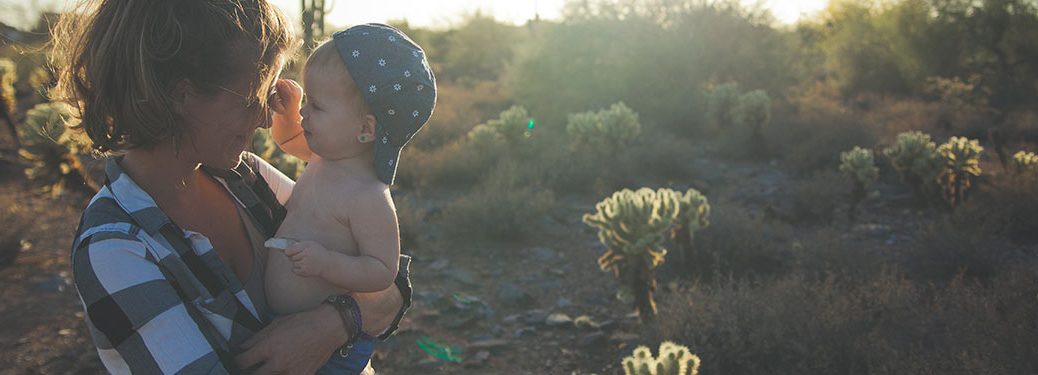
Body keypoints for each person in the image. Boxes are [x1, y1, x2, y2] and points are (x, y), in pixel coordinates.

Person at [53, 0, 412, 373]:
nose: (262, 120)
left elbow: (389, 281)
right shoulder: (117, 248)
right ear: (183, 95)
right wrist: (351, 316)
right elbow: (379, 291)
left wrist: (330, 325)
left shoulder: (245, 178)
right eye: (254, 97)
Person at [261, 24, 435, 374]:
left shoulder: (367, 196)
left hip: (331, 354)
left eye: (317, 106)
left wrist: (326, 263)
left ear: (366, 129)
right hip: (288, 329)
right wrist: (286, 113)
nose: (304, 114)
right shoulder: (326, 157)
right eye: (307, 102)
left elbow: (382, 271)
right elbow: (290, 141)